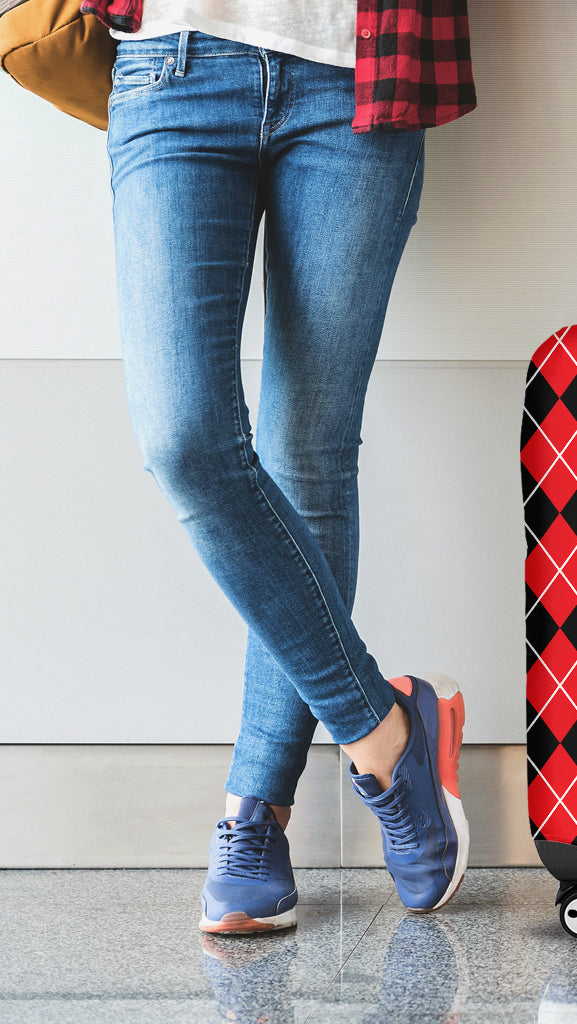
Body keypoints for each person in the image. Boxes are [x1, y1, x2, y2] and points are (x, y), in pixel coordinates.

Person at [84, 0, 476, 933]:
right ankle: (386, 730)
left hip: (359, 78)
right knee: (184, 441)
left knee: (308, 456)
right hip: (173, 69)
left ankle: (255, 813)